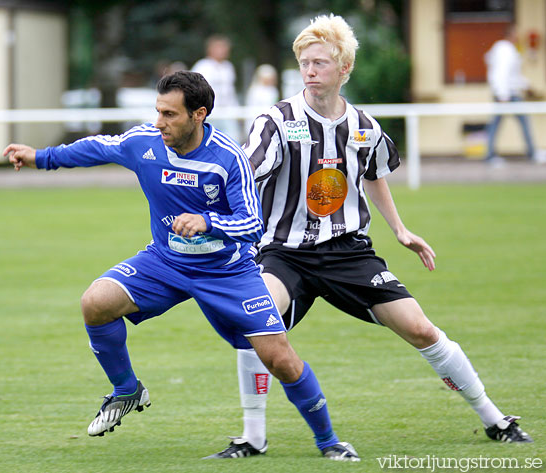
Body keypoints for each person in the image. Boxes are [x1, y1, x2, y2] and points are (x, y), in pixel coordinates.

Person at [206, 14, 533, 459]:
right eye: (304, 62)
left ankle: (495, 418)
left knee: (421, 329)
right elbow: (249, 167)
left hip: (348, 253)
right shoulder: (276, 120)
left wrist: (400, 229)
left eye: (320, 62)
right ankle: (253, 436)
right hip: (285, 253)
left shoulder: (363, 126)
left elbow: (375, 172)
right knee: (255, 324)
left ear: (344, 69)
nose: (310, 70)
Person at [3, 71, 359, 461]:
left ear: (199, 114)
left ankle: (329, 443)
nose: (160, 122)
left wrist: (209, 222)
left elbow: (253, 223)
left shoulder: (228, 158)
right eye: (158, 112)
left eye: (170, 114)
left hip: (228, 273)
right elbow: (97, 148)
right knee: (96, 302)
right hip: (165, 262)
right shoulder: (145, 143)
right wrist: (40, 157)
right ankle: (127, 391)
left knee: (281, 359)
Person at [484, 23, 537, 166]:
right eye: (516, 33)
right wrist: (502, 95)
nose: (518, 36)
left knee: (499, 124)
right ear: (511, 34)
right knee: (497, 124)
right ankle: (490, 155)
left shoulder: (508, 50)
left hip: (509, 93)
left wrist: (527, 86)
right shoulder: (504, 50)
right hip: (507, 95)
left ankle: (532, 152)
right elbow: (500, 73)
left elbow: (514, 75)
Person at [192, 35, 241, 142]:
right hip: (210, 113)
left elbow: (231, 92)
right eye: (219, 47)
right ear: (210, 49)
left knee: (232, 141)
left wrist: (236, 110)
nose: (223, 50)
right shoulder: (202, 66)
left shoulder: (228, 67)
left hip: (228, 113)